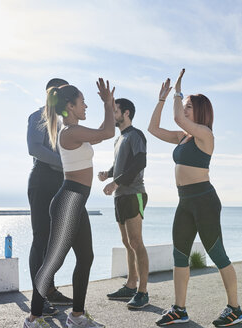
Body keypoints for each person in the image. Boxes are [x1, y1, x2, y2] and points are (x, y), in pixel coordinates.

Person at [148, 69, 242, 327]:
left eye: (190, 106)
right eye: (185, 105)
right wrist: (161, 100)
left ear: (200, 111)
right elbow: (153, 129)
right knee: (179, 255)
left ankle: (235, 308)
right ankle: (179, 309)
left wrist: (177, 93)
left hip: (204, 201)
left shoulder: (205, 135)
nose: (185, 109)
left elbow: (178, 118)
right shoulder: (182, 138)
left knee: (218, 254)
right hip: (184, 202)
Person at [25, 79, 116, 328]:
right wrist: (108, 104)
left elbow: (103, 134)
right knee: (52, 262)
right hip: (68, 201)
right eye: (82, 101)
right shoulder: (70, 132)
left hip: (76, 201)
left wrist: (108, 106)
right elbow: (108, 132)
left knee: (86, 257)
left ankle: (76, 316)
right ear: (70, 105)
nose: (86, 105)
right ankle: (33, 318)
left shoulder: (76, 130)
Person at [26, 78, 73, 323]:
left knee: (56, 242)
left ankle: (50, 290)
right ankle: (39, 297)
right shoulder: (37, 117)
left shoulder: (66, 120)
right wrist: (65, 162)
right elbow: (35, 148)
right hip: (42, 181)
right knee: (41, 239)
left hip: (61, 182)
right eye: (61, 91)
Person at [98, 98, 150, 309]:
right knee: (128, 243)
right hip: (120, 196)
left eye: (115, 111)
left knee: (136, 242)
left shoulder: (136, 135)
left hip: (133, 194)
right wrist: (108, 173)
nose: (113, 115)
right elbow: (121, 164)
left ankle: (143, 291)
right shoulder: (119, 139)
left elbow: (140, 162)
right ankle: (130, 285)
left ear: (126, 113)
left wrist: (115, 182)